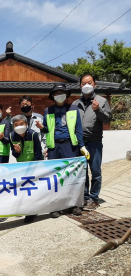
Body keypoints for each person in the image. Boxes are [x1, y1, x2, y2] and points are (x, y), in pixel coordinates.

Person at [36, 84, 90, 218]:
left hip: (70, 145)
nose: (59, 95)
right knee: (55, 176)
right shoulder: (48, 111)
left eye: (62, 92)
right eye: (57, 93)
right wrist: (42, 127)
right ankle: (56, 206)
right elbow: (47, 130)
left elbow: (78, 128)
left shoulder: (73, 109)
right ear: (53, 96)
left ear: (66, 95)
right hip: (54, 147)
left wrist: (82, 146)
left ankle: (75, 205)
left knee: (73, 174)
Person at [72, 74, 112, 211]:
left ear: (95, 85)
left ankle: (94, 199)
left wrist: (98, 110)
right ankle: (84, 196)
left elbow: (107, 119)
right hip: (79, 144)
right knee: (82, 172)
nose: (86, 85)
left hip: (94, 142)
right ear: (80, 86)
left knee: (95, 171)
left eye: (89, 82)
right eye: (83, 83)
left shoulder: (101, 101)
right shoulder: (75, 104)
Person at [9, 115, 43, 223]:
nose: (19, 126)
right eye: (16, 125)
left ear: (26, 124)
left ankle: (32, 212)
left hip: (34, 166)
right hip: (21, 167)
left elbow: (38, 153)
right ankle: (27, 209)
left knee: (33, 189)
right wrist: (17, 151)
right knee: (24, 189)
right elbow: (15, 155)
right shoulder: (11, 136)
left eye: (21, 124)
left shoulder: (33, 134)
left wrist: (34, 168)